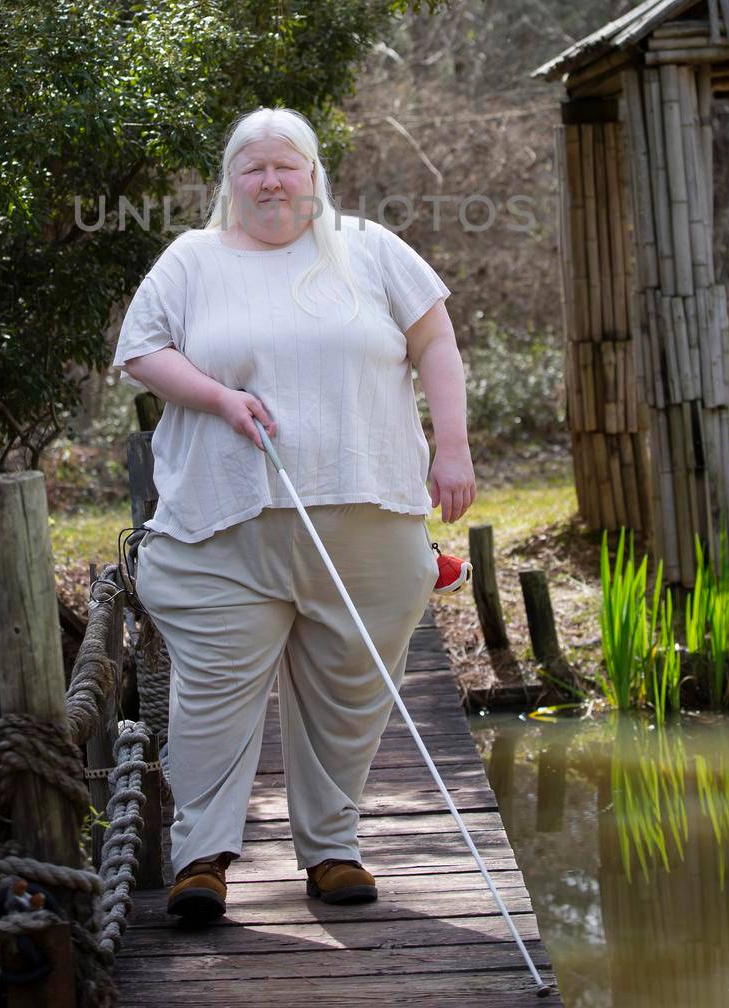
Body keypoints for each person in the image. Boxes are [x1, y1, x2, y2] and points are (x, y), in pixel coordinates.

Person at [112, 106, 476, 923]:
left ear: (313, 174)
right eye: (253, 168)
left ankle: (333, 850)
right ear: (229, 180)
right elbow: (142, 351)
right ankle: (201, 859)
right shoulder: (192, 259)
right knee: (212, 697)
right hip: (224, 526)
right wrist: (218, 397)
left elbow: (438, 345)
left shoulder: (371, 249)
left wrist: (450, 446)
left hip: (367, 515)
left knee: (350, 692)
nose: (271, 180)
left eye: (287, 165)